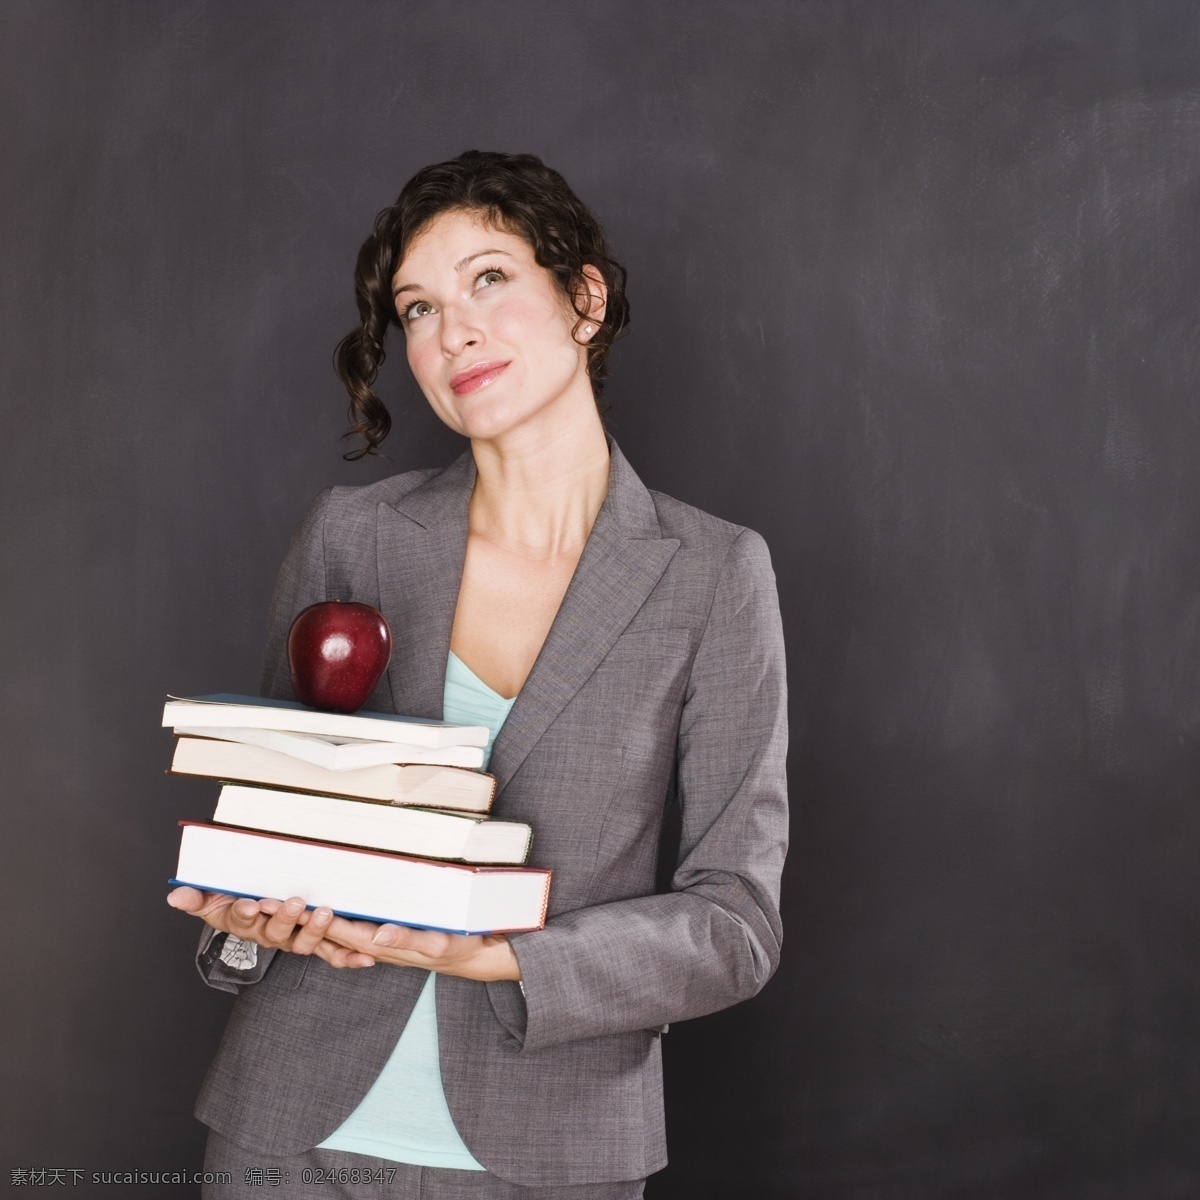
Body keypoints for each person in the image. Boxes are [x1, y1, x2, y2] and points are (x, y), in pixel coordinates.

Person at [167, 150, 789, 1199]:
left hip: (551, 1158)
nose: (452, 329)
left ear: (585, 298)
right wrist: (245, 929)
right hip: (285, 1143)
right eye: (416, 307)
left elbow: (735, 925)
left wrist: (499, 954)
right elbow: (268, 825)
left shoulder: (717, 574)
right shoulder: (352, 535)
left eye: (489, 279)